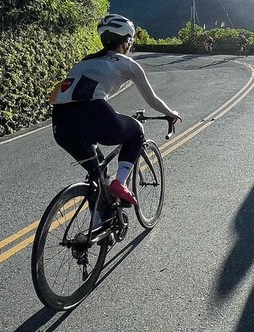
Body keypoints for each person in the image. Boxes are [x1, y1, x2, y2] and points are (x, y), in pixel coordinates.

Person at [50, 14, 181, 206]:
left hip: (60, 123)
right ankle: (121, 183)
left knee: (100, 177)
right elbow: (152, 99)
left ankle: (96, 228)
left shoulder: (84, 62)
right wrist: (171, 113)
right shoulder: (126, 63)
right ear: (127, 41)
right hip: (93, 112)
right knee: (136, 130)